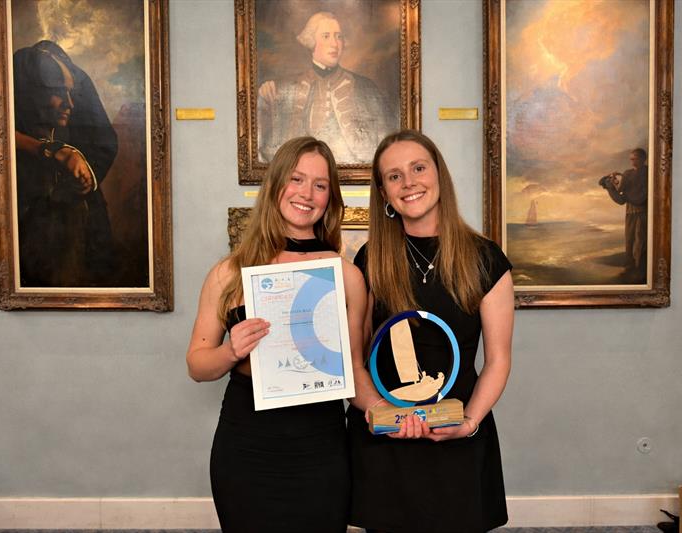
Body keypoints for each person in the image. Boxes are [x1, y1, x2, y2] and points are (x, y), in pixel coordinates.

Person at [186, 137, 366, 533]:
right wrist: (231, 351)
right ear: (275, 185)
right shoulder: (229, 272)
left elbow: (355, 371)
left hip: (321, 444)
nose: (307, 193)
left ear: (330, 198)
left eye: (320, 185)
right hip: (247, 444)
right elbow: (197, 366)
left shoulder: (347, 276)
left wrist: (392, 413)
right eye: (296, 179)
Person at [346, 130, 515, 532]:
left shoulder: (486, 259)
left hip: (456, 434)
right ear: (383, 192)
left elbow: (498, 361)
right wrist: (379, 411)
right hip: (386, 441)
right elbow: (353, 360)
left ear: (439, 174)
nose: (409, 183)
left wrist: (469, 422)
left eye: (418, 168)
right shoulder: (370, 259)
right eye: (394, 176)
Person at [12, 40, 118, 287]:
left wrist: (83, 175)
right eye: (58, 92)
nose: (70, 104)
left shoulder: (77, 79)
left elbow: (104, 141)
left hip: (76, 210)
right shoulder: (15, 78)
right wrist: (52, 152)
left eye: (70, 93)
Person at [258, 11, 392, 164]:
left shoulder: (367, 88)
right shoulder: (286, 89)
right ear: (311, 42)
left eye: (338, 36)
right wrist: (264, 99)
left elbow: (385, 146)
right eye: (326, 36)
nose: (334, 44)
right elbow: (268, 147)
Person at [598, 148, 648, 282]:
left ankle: (640, 271)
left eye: (635, 158)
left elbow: (638, 196)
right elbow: (620, 195)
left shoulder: (648, 172)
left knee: (641, 242)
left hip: (643, 212)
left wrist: (615, 187)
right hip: (630, 212)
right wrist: (613, 184)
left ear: (643, 159)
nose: (632, 161)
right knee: (629, 240)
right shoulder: (627, 173)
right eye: (631, 159)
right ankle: (630, 269)